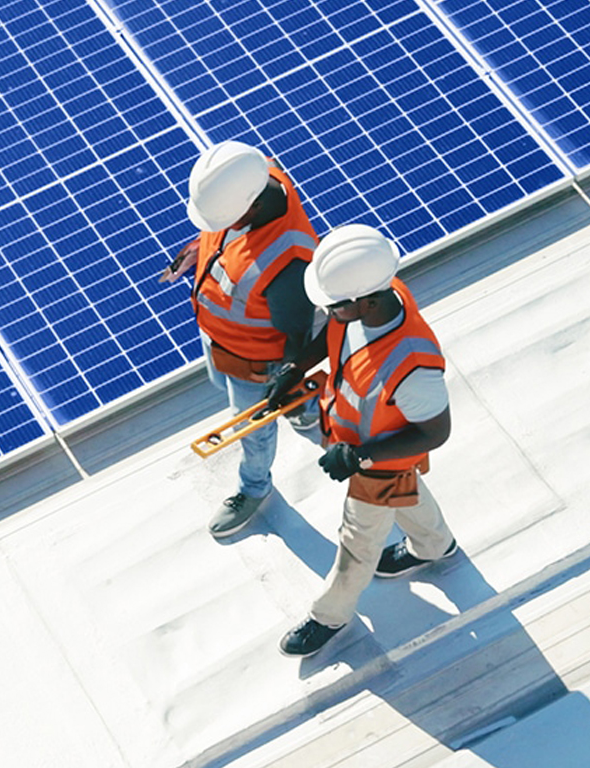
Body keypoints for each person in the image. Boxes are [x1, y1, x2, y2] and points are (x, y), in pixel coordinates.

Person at [272, 224, 458, 658]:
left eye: (334, 306)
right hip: (356, 440)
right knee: (408, 495)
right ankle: (435, 546)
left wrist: (360, 456)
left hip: (377, 460)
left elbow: (435, 432)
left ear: (365, 300)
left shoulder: (413, 366)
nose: (329, 311)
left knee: (357, 542)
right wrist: (296, 368)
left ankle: (329, 616)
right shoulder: (371, 295)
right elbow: (335, 334)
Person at [162, 141, 320, 538]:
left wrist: (285, 379)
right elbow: (225, 239)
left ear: (250, 207)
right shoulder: (248, 175)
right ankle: (305, 408)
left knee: (251, 429)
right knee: (222, 383)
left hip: (256, 366)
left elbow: (297, 337)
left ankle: (254, 488)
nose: (217, 226)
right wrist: (195, 251)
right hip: (219, 340)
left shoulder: (288, 265)